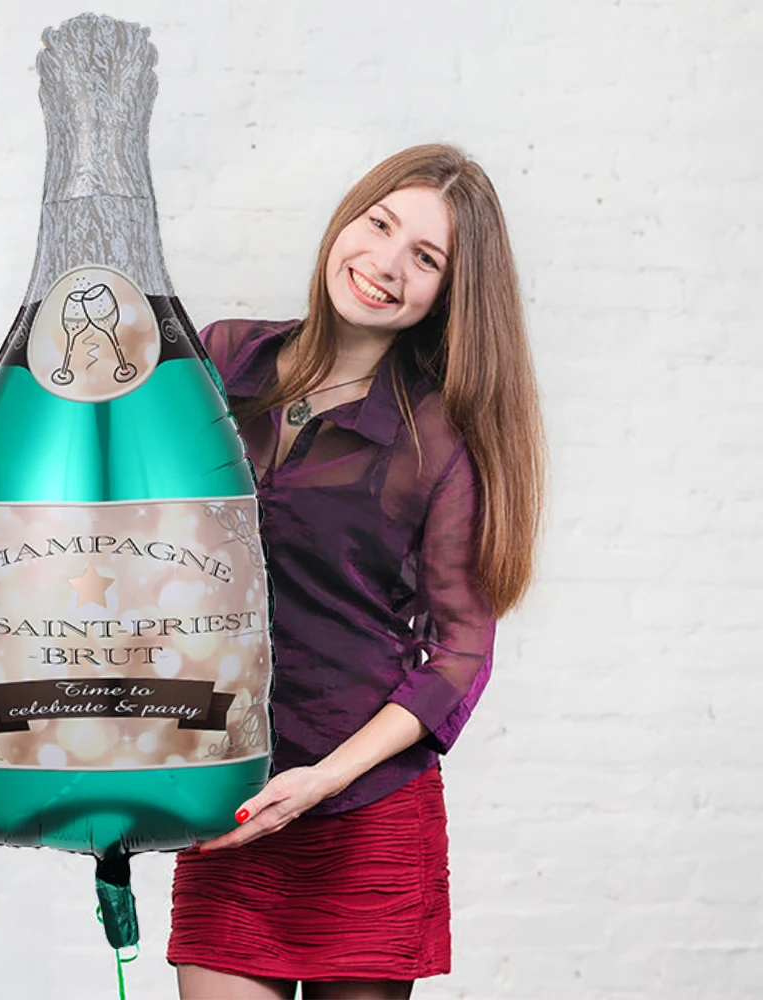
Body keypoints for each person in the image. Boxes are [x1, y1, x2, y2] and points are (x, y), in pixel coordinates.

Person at [167, 143, 546, 1000]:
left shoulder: (439, 438)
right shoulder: (223, 357)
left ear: (448, 295)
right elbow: (129, 531)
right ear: (347, 218)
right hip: (229, 795)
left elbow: (461, 650)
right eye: (379, 224)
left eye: (425, 258)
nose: (385, 263)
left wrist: (324, 780)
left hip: (361, 807)